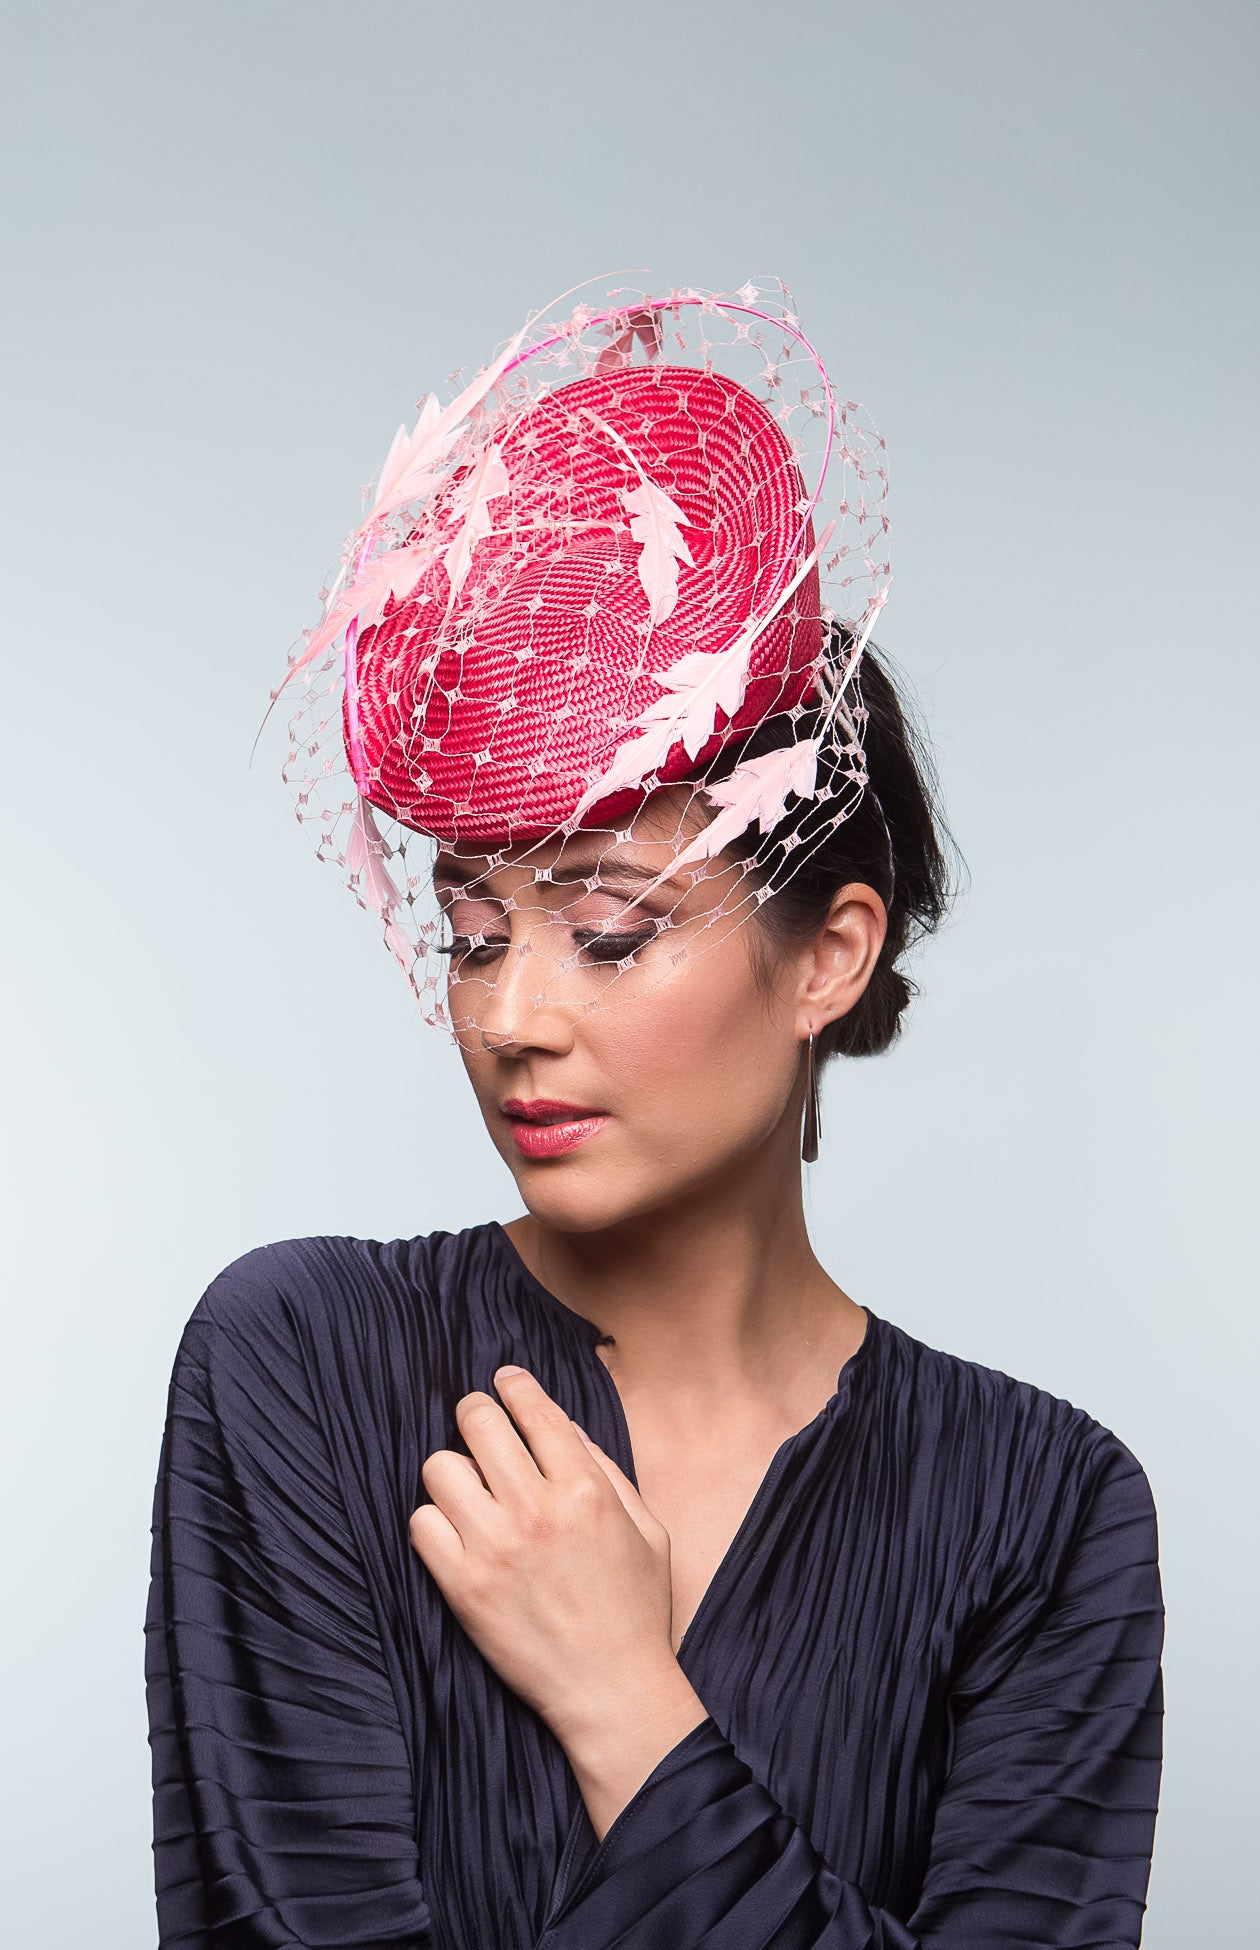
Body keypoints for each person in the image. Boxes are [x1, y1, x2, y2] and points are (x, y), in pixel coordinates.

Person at [145, 281, 1164, 1947]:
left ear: (830, 952)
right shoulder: (304, 1366)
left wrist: (632, 1708)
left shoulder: (1045, 1515)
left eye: (609, 930)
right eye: (472, 930)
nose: (509, 1016)